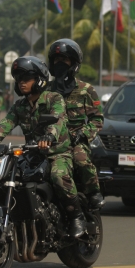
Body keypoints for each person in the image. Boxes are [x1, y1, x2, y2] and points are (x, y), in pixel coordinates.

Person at [0, 56, 87, 238]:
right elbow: (5, 125)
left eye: (26, 79)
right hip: (32, 155)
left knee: (58, 176)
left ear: (39, 80)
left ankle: (76, 217)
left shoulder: (53, 98)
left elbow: (58, 119)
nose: (21, 83)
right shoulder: (19, 106)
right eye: (18, 79)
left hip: (58, 153)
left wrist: (49, 135)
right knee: (7, 178)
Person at [47, 39, 105, 209]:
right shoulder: (46, 90)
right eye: (57, 61)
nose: (60, 64)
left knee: (80, 159)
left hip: (75, 140)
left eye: (64, 61)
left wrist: (84, 134)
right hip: (52, 141)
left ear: (73, 63)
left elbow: (97, 119)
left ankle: (93, 191)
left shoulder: (86, 89)